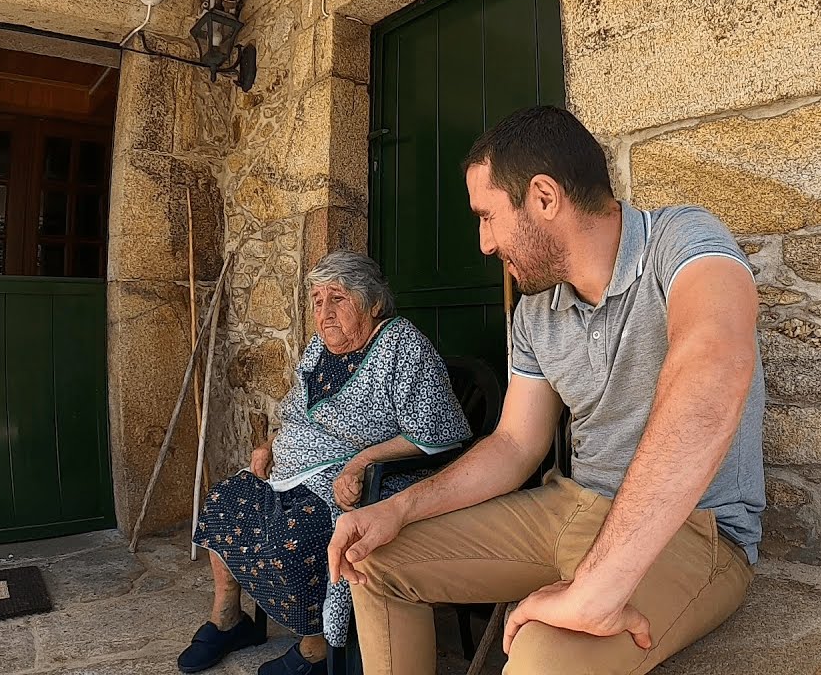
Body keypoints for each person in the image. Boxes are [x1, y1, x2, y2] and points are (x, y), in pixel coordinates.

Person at [328, 105, 766, 675]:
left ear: (543, 197)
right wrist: (399, 507)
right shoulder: (536, 312)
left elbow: (716, 363)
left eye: (487, 216)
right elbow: (514, 445)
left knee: (540, 656)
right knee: (374, 557)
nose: (484, 243)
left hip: (694, 529)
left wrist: (598, 588)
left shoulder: (680, 240)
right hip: (571, 506)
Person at [178, 251, 471, 675]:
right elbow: (298, 410)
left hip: (371, 479)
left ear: (373, 304)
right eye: (317, 300)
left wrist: (362, 461)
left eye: (338, 298)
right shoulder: (319, 348)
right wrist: (271, 443)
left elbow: (438, 435)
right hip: (297, 468)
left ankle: (316, 647)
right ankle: (228, 618)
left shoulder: (402, 346)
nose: (325, 312)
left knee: (292, 535)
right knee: (225, 500)